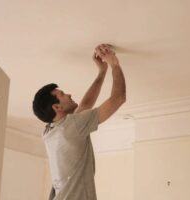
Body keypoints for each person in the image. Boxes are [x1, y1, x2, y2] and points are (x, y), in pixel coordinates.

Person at [32, 44, 126, 200]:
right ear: (57, 107)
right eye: (62, 94)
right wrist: (114, 64)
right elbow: (118, 98)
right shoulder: (70, 128)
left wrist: (102, 72)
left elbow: (84, 107)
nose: (68, 94)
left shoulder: (50, 131)